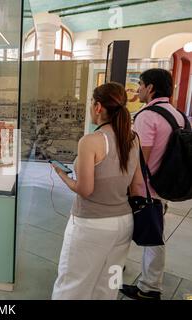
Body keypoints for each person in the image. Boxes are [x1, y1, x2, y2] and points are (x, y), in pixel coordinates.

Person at [51, 82, 143, 300]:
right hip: (124, 223)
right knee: (109, 282)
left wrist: (62, 175)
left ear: (98, 107)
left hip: (91, 225)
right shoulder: (132, 138)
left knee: (72, 283)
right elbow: (137, 184)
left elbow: (85, 189)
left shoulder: (91, 141)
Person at [120, 68, 185, 300]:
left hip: (144, 189)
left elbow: (140, 158)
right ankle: (148, 284)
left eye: (140, 84)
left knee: (138, 236)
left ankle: (148, 288)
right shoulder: (178, 115)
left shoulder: (147, 116)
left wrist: (123, 184)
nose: (138, 89)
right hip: (165, 184)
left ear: (150, 88)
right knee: (155, 236)